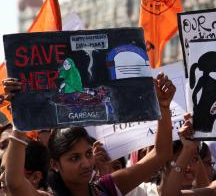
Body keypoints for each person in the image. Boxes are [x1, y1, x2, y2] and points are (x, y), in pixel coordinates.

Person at [3, 73, 175, 196]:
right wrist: (21, 121)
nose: (86, 163)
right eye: (74, 158)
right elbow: (15, 183)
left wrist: (164, 107)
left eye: (87, 154)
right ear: (55, 165)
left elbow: (161, 154)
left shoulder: (108, 188)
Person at [189, 51, 216, 132]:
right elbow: (194, 93)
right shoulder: (203, 79)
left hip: (208, 110)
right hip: (204, 110)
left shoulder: (207, 79)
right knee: (204, 128)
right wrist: (195, 107)